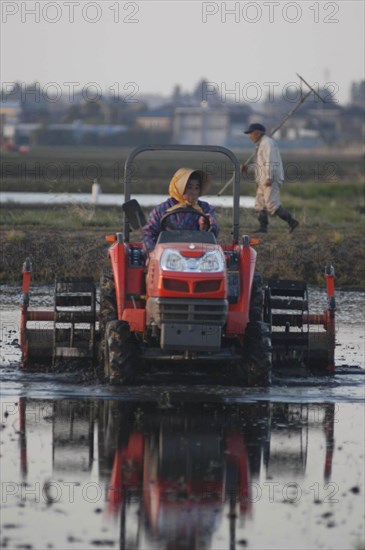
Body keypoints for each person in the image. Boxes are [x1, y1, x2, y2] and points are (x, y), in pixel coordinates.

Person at [241, 123, 299, 233]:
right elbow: (261, 166)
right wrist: (247, 169)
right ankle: (263, 228)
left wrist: (269, 177)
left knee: (272, 204)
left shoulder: (267, 143)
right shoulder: (260, 145)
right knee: (260, 204)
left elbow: (270, 162)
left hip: (269, 179)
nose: (250, 137)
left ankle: (292, 222)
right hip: (262, 179)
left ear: (257, 133)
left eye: (251, 134)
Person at [142, 168, 219, 251]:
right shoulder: (162, 210)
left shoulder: (205, 208)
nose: (194, 192)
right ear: (179, 187)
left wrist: (207, 226)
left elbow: (213, 235)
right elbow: (148, 234)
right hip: (168, 256)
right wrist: (153, 253)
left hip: (197, 254)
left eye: (197, 188)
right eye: (190, 187)